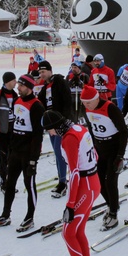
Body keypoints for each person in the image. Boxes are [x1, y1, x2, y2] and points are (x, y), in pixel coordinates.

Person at [42, 110, 100, 256]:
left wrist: (70, 204)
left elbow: (74, 173)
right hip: (92, 182)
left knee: (68, 233)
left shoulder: (68, 139)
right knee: (78, 231)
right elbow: (95, 155)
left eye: (48, 130)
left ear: (55, 127)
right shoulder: (79, 128)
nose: (49, 134)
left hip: (85, 185)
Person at [0, 75, 43, 232]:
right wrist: (10, 149)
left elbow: (37, 135)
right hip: (16, 151)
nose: (18, 88)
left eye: (21, 85)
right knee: (9, 183)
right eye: (18, 84)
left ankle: (29, 217)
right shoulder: (18, 102)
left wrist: (33, 160)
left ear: (29, 87)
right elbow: (14, 128)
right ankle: (5, 215)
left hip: (28, 153)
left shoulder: (36, 106)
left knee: (29, 185)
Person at [81, 84, 128, 230]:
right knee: (98, 183)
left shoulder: (110, 108)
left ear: (96, 99)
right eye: (84, 102)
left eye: (89, 102)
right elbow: (91, 127)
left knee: (110, 181)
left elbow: (124, 132)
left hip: (114, 148)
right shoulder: (87, 108)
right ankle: (112, 205)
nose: (87, 105)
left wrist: (120, 155)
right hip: (100, 149)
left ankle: (113, 213)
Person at [36, 61, 73, 198]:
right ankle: (61, 180)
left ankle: (63, 183)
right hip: (51, 125)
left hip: (60, 124)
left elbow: (67, 102)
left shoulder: (59, 82)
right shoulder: (45, 87)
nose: (41, 75)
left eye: (43, 72)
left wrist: (63, 122)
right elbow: (40, 104)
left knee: (59, 152)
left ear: (50, 71)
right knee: (57, 153)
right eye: (40, 72)